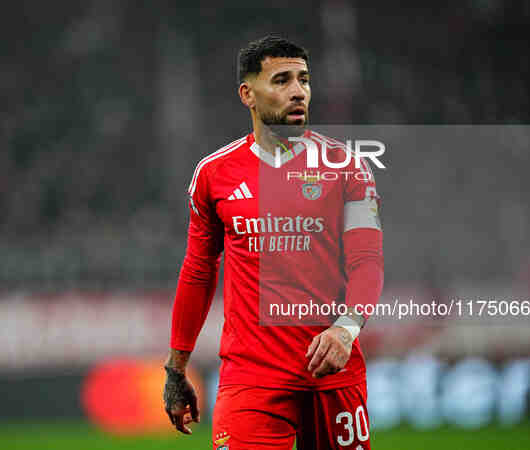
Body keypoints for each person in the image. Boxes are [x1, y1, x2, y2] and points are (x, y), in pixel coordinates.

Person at [164, 35, 384, 450]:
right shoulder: (214, 174)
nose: (298, 91)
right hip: (251, 381)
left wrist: (345, 330)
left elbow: (367, 262)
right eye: (282, 80)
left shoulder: (348, 168)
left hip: (333, 374)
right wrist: (177, 369)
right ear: (247, 94)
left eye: (304, 79)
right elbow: (198, 270)